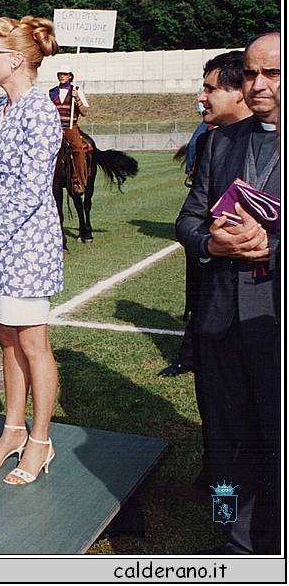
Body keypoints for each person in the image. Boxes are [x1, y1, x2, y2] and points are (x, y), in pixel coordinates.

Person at [176, 31, 280, 555]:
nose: (258, 84)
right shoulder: (220, 141)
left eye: (272, 73)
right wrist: (212, 243)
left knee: (273, 439)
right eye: (252, 73)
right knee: (223, 433)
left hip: (275, 324)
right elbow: (189, 218)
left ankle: (270, 539)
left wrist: (274, 247)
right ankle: (228, 528)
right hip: (219, 318)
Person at [0, 16, 64, 493]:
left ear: (15, 60)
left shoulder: (40, 110)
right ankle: (12, 430)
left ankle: (40, 438)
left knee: (33, 343)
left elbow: (31, 190)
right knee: (7, 338)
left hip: (27, 243)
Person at [161, 51, 250, 379]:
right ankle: (190, 355)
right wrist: (209, 243)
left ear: (239, 92)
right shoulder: (213, 142)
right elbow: (188, 218)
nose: (201, 98)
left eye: (209, 89)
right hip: (215, 285)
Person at [50, 64, 90, 196]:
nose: (62, 76)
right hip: (55, 128)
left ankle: (76, 180)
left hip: (70, 127)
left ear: (70, 76)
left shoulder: (76, 90)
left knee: (78, 149)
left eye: (65, 74)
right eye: (60, 73)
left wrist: (77, 98)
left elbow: (84, 112)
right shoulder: (52, 92)